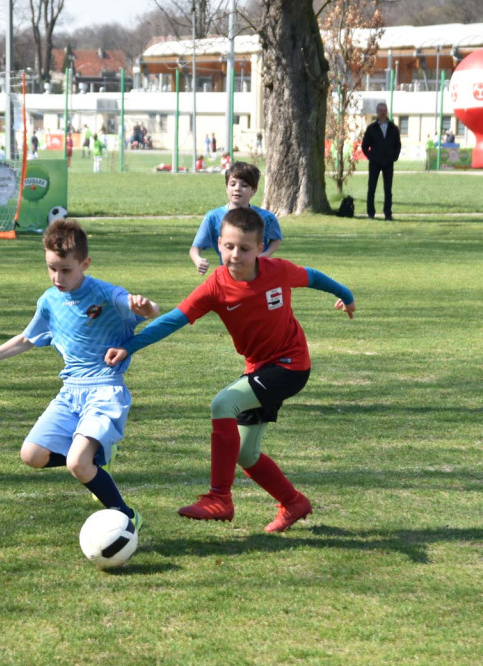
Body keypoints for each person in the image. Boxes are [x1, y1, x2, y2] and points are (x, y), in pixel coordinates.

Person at [105, 207, 356, 532]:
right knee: (246, 453)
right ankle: (293, 502)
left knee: (224, 403)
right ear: (219, 243)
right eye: (228, 246)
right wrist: (130, 344)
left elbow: (315, 277)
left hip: (291, 365)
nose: (235, 255)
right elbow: (172, 320)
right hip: (259, 369)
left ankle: (219, 497)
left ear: (260, 246)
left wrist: (346, 296)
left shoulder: (278, 271)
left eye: (245, 248)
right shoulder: (215, 287)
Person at [0, 219, 159, 531]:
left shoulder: (106, 294)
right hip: (70, 392)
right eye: (51, 268)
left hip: (104, 390)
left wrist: (147, 307)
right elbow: (26, 338)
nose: (57, 277)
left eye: (66, 270)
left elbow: (147, 310)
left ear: (84, 263)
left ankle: (127, 516)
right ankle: (94, 457)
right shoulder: (48, 301)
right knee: (31, 455)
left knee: (76, 463)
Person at [189, 161, 282, 276]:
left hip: (259, 276)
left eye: (244, 185)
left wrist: (265, 255)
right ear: (226, 187)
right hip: (230, 277)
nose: (237, 189)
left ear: (254, 190)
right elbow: (195, 248)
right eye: (232, 184)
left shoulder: (266, 217)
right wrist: (198, 260)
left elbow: (276, 239)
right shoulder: (213, 217)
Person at [360, 102, 401, 221]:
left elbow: (398, 145)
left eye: (385, 110)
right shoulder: (371, 128)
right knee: (371, 188)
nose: (383, 112)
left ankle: (388, 213)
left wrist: (394, 157)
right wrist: (371, 157)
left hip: (388, 163)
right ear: (377, 112)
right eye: (380, 110)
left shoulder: (393, 128)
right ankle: (371, 213)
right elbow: (364, 146)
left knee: (388, 189)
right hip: (375, 163)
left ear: (387, 111)